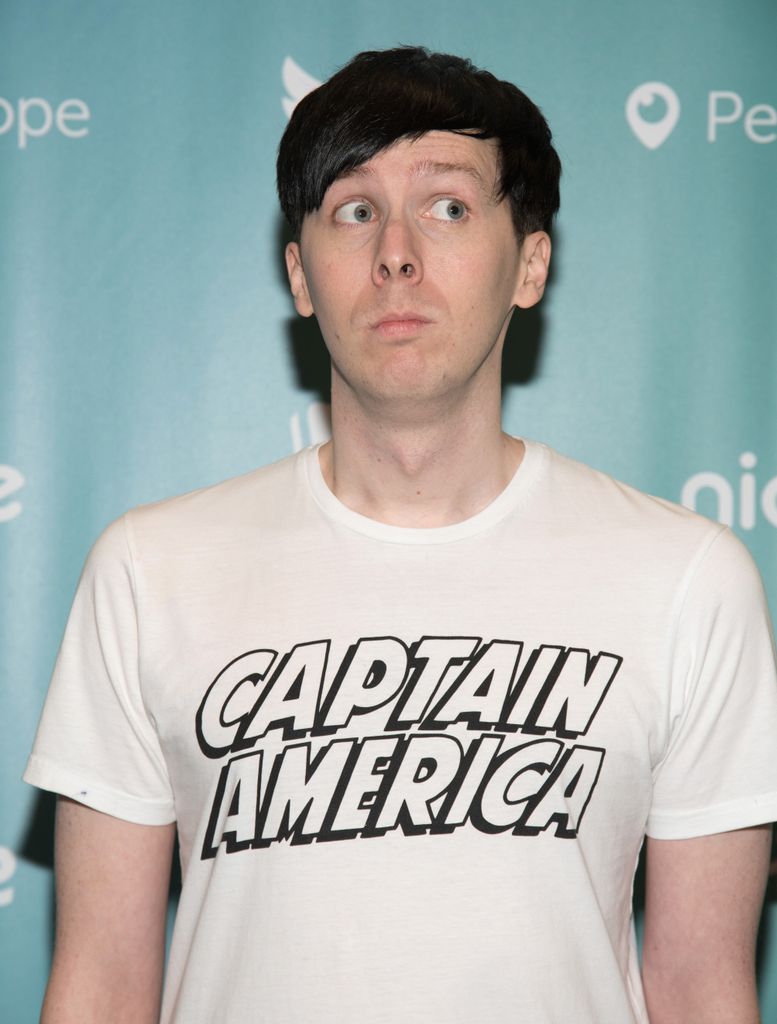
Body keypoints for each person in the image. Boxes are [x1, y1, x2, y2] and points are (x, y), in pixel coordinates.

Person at [25, 46, 777, 1024]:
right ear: (301, 273)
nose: (396, 253)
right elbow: (101, 984)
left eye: (449, 206)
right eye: (354, 208)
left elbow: (699, 987)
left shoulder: (688, 578)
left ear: (531, 264)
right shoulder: (148, 568)